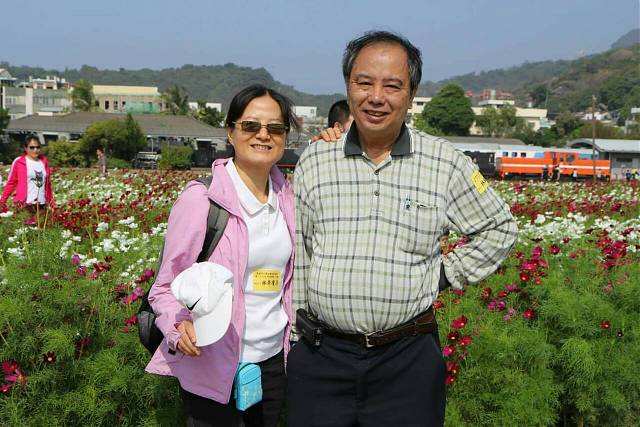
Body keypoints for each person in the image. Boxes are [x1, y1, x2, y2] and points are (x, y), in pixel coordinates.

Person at [288, 31, 518, 427]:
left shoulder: (445, 163)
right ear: (348, 87)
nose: (376, 97)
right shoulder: (316, 159)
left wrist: (443, 274)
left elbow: (499, 228)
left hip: (406, 361)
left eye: (392, 86)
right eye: (364, 83)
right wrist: (296, 340)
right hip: (322, 359)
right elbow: (302, 251)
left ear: (411, 95)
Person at [145, 84, 299, 427]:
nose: (263, 135)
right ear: (231, 131)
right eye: (251, 126)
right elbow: (164, 288)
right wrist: (177, 327)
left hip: (272, 363)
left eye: (275, 128)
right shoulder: (203, 199)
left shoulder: (289, 198)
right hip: (213, 360)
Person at [0, 135, 55, 213]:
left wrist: (52, 204)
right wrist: (2, 202)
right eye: (32, 147)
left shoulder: (43, 161)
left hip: (42, 204)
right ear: (25, 148)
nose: (35, 150)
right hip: (24, 204)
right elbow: (11, 183)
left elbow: (48, 185)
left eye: (38, 147)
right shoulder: (19, 161)